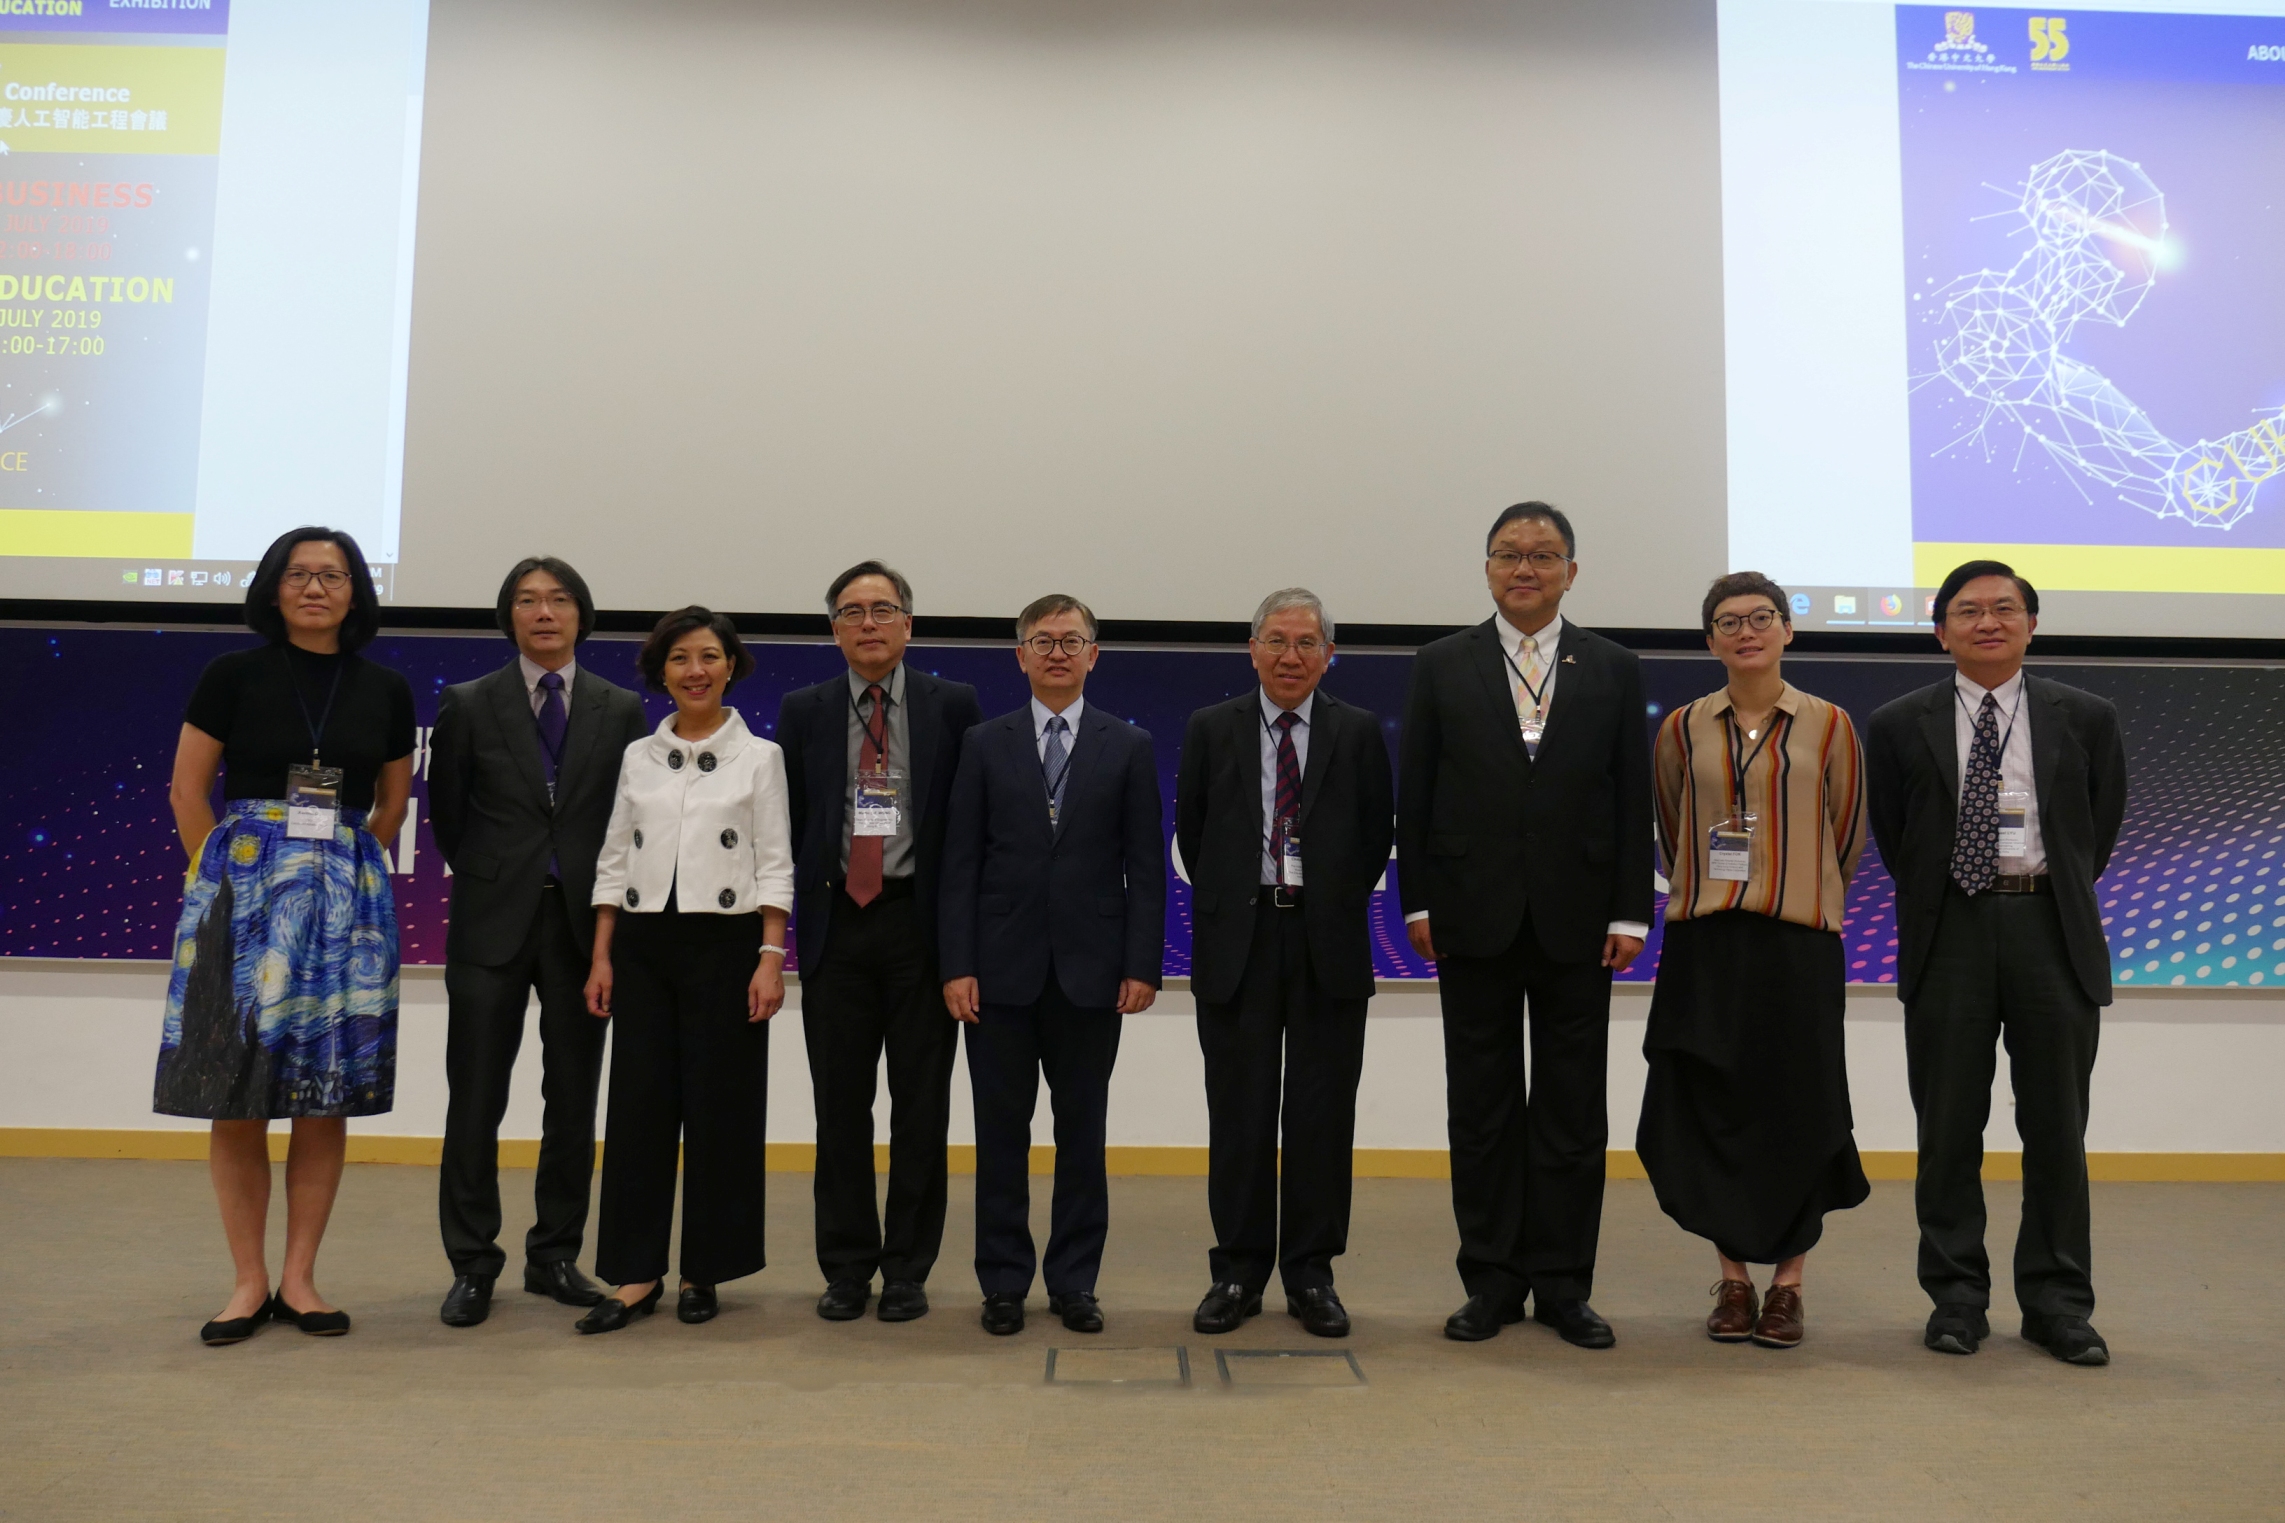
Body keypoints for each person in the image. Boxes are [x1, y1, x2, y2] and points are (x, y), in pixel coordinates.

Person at [1396, 501, 1653, 1349]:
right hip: (1471, 918)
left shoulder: (1611, 665)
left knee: (1572, 1111)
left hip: (1580, 921)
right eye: (1508, 554)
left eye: (1543, 556)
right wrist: (1419, 900)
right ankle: (1491, 1281)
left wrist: (1629, 908)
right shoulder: (1440, 664)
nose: (1525, 569)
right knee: (1480, 1108)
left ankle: (1565, 1285)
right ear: (1486, 568)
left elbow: (1627, 798)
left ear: (1571, 572)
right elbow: (1419, 792)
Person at [157, 526, 414, 1345]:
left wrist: (338, 869)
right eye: (299, 574)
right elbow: (187, 791)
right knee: (235, 1096)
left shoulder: (386, 687)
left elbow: (392, 807)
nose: (315, 587)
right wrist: (229, 878)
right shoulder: (229, 675)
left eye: (332, 575)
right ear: (273, 587)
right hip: (242, 897)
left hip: (342, 902)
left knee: (320, 1094)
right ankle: (247, 1281)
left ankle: (300, 1278)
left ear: (354, 592)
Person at [1867, 561, 2127, 1367]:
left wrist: (2035, 889)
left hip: (2049, 925)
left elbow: (2098, 829)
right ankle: (1955, 1297)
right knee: (1947, 1127)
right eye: (1968, 611)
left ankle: (2056, 1303)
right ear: (1940, 629)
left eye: (2004, 608)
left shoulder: (2084, 716)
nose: (1988, 621)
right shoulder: (1896, 721)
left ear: (2030, 623)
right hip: (1950, 928)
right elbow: (1893, 832)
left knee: (2056, 1128)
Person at [1638, 573, 1870, 1350]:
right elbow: (1670, 824)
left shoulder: (1830, 726)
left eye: (1760, 618)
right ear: (1709, 640)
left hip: (1797, 942)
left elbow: (1846, 833)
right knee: (1712, 1108)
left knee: (1797, 1109)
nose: (1746, 632)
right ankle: (1733, 1280)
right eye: (1727, 622)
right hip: (1707, 941)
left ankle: (1788, 1288)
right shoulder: (1680, 728)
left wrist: (1789, 884)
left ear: (1786, 630)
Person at [428, 557, 650, 1328]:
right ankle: (471, 1261)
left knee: (573, 1098)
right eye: (527, 600)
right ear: (508, 617)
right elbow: (449, 817)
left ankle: (554, 1251)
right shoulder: (468, 702)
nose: (543, 612)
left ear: (582, 615)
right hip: (491, 924)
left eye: (558, 599)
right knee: (476, 1097)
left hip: (582, 929)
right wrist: (502, 872)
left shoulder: (621, 708)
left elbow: (628, 819)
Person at [939, 594, 1165, 1336]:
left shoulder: (1127, 744)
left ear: (1093, 654)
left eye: (1072, 640)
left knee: (1082, 1136)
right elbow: (960, 863)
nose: (1058, 652)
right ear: (1021, 656)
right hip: (997, 973)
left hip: (1092, 973)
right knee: (1000, 1136)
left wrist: (1140, 963)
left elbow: (1144, 865)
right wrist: (957, 963)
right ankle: (1002, 1282)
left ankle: (1074, 1282)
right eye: (1044, 640)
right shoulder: (983, 742)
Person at [1175, 588, 1394, 1339]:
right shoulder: (1211, 727)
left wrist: (1322, 898)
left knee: (1321, 1116)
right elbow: (1194, 829)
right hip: (1239, 941)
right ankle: (1235, 1270)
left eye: (1306, 642)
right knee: (1237, 1115)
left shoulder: (1358, 732)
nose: (1290, 655)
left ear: (1328, 654)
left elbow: (1373, 835)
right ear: (1252, 649)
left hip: (1325, 942)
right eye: (1276, 640)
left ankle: (1311, 1274)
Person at [577, 608, 795, 1333]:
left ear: (731, 664)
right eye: (680, 658)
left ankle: (707, 1268)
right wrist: (603, 952)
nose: (695, 669)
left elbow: (774, 862)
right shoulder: (639, 754)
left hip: (728, 945)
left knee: (720, 1111)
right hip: (642, 944)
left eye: (709, 655)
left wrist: (770, 957)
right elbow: (613, 857)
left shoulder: (760, 756)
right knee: (638, 1109)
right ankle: (636, 1272)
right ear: (661, 671)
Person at [777, 561, 983, 1324]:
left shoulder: (951, 705)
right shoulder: (804, 709)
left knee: (920, 1109)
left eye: (883, 609)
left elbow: (968, 830)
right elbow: (795, 823)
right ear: (833, 628)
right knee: (840, 1108)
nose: (868, 623)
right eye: (852, 611)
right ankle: (845, 1266)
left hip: (918, 925)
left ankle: (906, 1268)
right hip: (838, 923)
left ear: (908, 625)